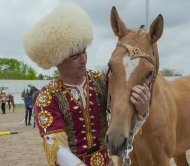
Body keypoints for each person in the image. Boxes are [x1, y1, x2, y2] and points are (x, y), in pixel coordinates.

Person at [23, 3, 150, 166]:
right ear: (57, 60)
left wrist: (141, 112)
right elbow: (57, 149)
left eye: (84, 51)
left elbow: (123, 127)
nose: (84, 60)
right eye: (75, 56)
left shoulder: (102, 81)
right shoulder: (46, 98)